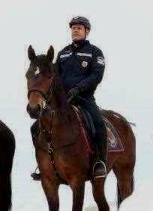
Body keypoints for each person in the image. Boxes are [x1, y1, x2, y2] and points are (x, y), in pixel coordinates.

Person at [31, 15, 109, 179]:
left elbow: (97, 75)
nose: (75, 30)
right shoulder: (63, 53)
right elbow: (53, 76)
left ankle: (99, 162)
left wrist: (79, 88)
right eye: (73, 28)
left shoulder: (95, 52)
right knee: (35, 127)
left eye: (79, 28)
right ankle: (43, 164)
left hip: (84, 98)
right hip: (62, 100)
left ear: (86, 31)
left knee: (99, 124)